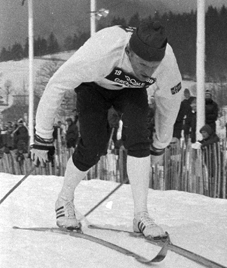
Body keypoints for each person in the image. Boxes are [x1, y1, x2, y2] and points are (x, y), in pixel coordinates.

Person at [30, 19, 183, 238]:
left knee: (140, 137)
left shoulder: (167, 61)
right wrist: (42, 137)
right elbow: (57, 84)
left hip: (131, 90)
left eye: (152, 68)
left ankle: (141, 214)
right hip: (94, 87)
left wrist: (160, 144)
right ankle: (64, 199)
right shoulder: (102, 51)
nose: (147, 72)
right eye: (142, 65)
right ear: (129, 52)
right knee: (93, 146)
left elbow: (170, 102)